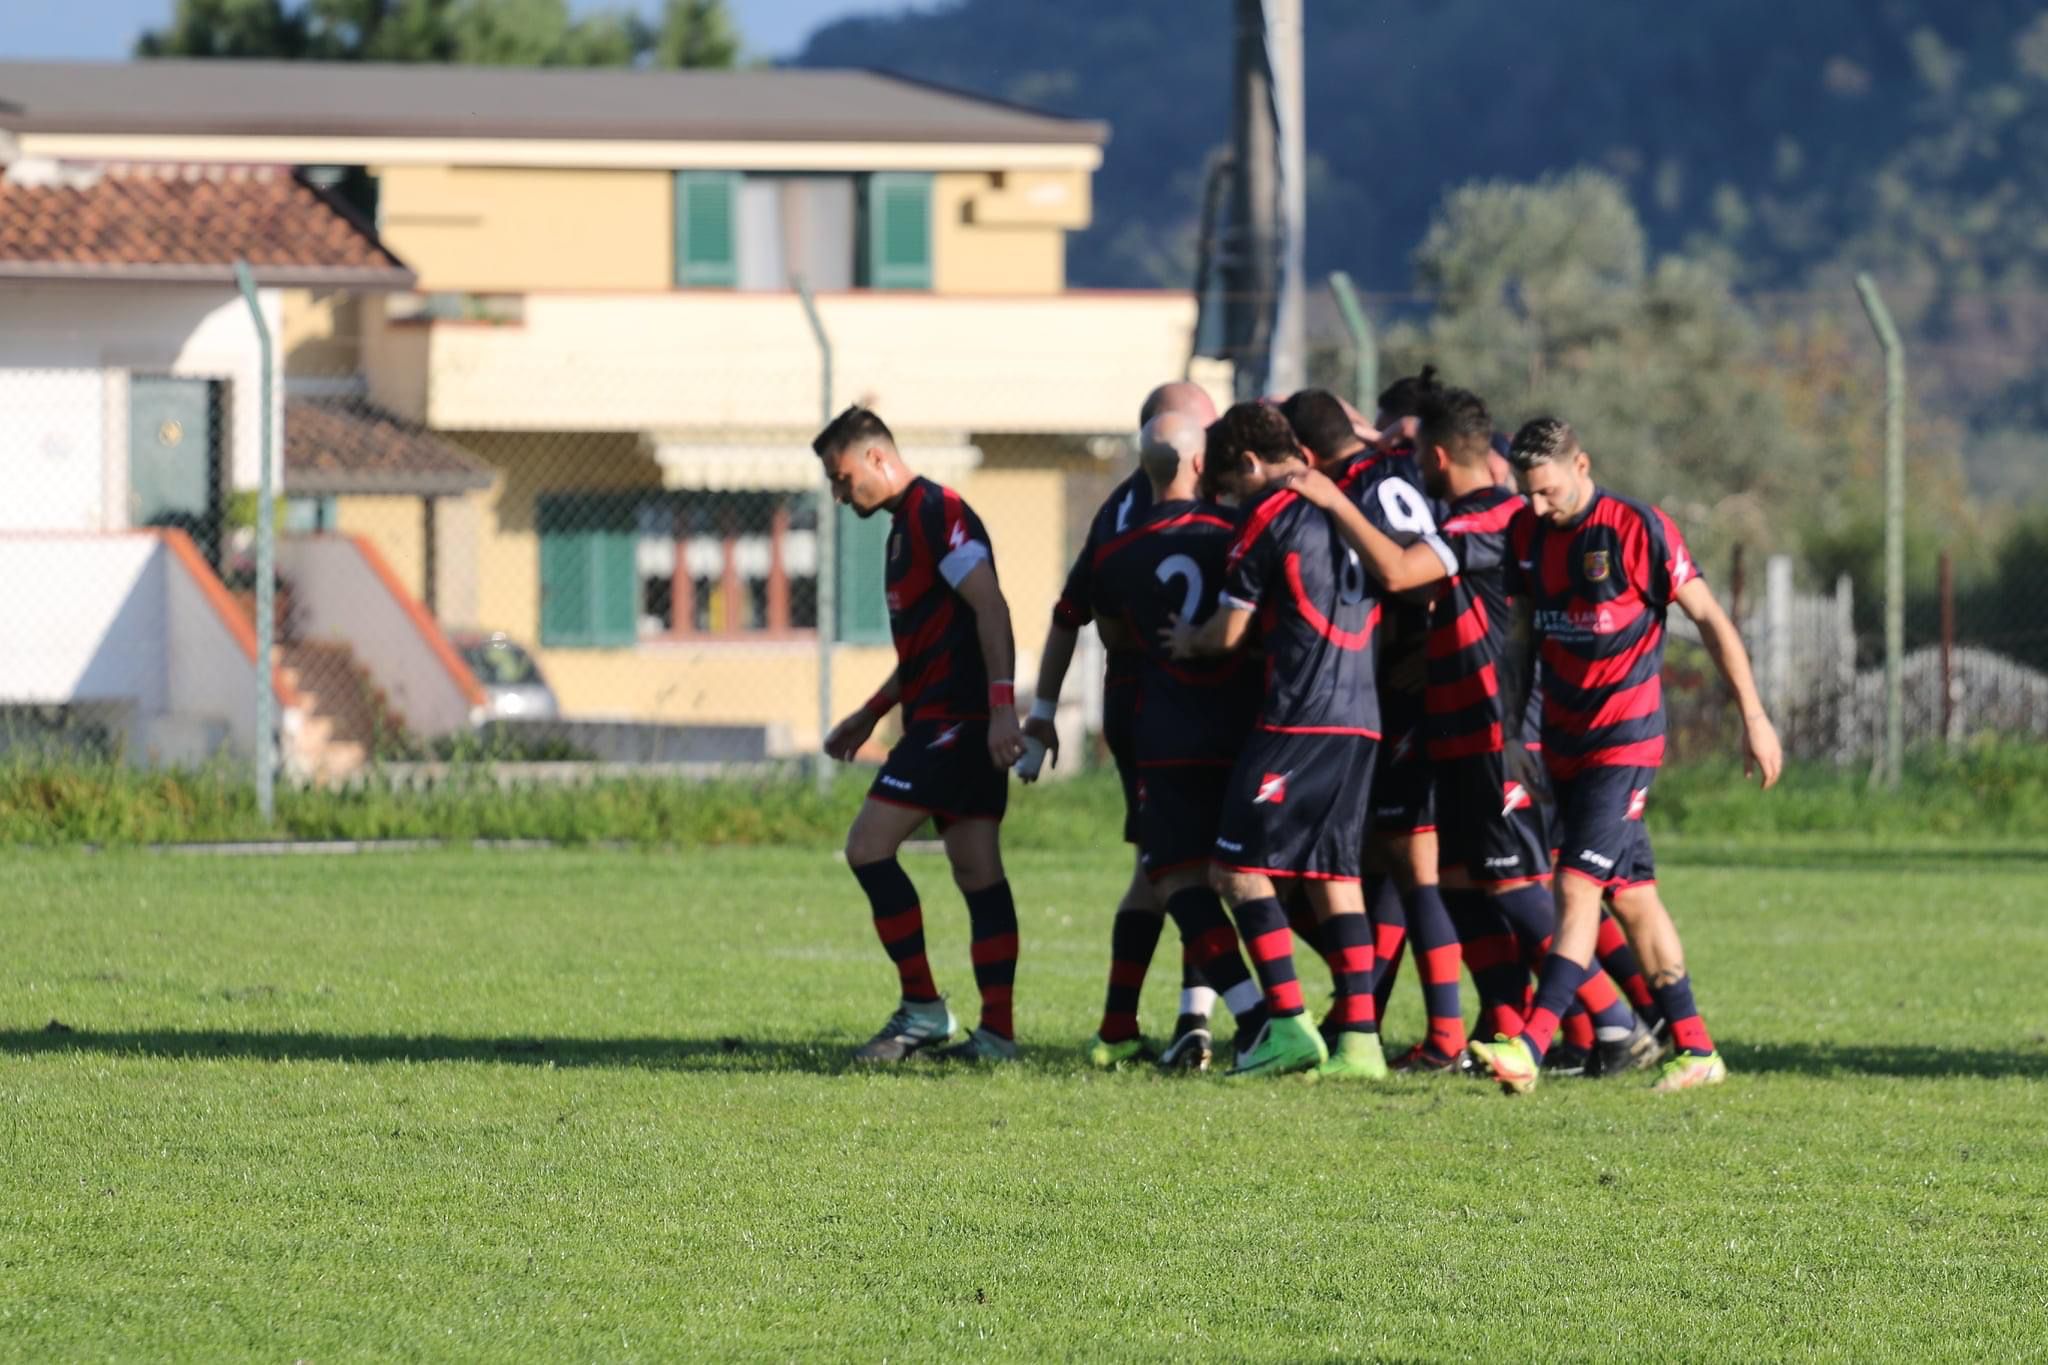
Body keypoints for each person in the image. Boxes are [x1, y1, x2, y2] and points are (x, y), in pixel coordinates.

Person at [1287, 389, 1660, 1078]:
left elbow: (1400, 571)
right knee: (1461, 885)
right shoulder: (1470, 515)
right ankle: (1507, 1028)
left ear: (1435, 456)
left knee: (1519, 886)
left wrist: (1332, 499)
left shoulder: (1494, 517)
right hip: (1458, 728)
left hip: (1499, 731)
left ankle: (1618, 1023)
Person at [1477, 416, 1782, 1093]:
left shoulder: (1637, 529)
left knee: (1576, 884)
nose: (1537, 506)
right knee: (1634, 898)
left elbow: (1710, 618)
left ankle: (1529, 1044)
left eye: (1549, 491)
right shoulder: (1525, 533)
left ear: (1582, 466)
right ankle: (1697, 1049)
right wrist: (1511, 736)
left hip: (1626, 739)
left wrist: (1754, 717)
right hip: (1562, 741)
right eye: (1527, 492)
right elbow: (1519, 639)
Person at [1164, 402, 1386, 1080]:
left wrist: (1188, 639)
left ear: (1251, 464)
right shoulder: (1347, 505)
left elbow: (1227, 632)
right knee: (1333, 875)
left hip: (1300, 717)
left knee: (1234, 868)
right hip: (1362, 717)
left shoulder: (1271, 515)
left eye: (1229, 487)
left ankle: (1286, 1025)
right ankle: (1361, 1043)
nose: (1230, 502)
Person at [816, 406, 1027, 1064]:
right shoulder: (902, 529)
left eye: (842, 477)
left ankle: (923, 1010)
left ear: (878, 457)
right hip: (942, 719)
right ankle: (997, 1035)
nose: (840, 493)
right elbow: (928, 647)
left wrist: (1001, 708)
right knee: (977, 869)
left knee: (867, 847)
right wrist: (872, 712)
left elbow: (990, 605)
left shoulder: (939, 512)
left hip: (955, 725)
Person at [1024, 381, 1222, 1067]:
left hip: (1152, 708)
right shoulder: (1165, 507)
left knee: (1166, 863)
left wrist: (1043, 710)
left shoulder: (1126, 508)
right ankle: (1206, 1018)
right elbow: (1077, 612)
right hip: (1171, 708)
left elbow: (1075, 616)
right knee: (1181, 864)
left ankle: (1129, 1024)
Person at [1282, 386, 1469, 1070]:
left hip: (1413, 690)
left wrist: (1425, 648)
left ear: (1305, 456)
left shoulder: (1352, 491)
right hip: (1405, 690)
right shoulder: (1397, 466)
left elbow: (1418, 580)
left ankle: (1446, 1035)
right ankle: (1358, 1010)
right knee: (1387, 864)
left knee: (1415, 867)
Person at [1085, 411, 1267, 1071]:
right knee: (1244, 873)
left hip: (1167, 731)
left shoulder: (1117, 551)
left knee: (1174, 876)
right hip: (1244, 726)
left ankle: (1257, 1016)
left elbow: (1116, 638)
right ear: (1199, 463)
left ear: (1145, 468)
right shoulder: (1239, 531)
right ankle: (1298, 1017)